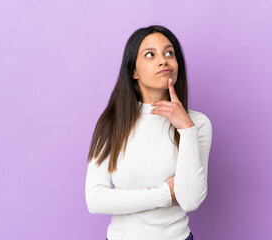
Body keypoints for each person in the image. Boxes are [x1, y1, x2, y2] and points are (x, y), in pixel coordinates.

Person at [84, 25, 212, 240]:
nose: (163, 60)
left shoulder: (197, 124)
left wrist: (187, 130)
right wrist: (164, 194)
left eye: (169, 53)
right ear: (133, 71)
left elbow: (190, 201)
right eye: (150, 55)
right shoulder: (112, 122)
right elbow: (95, 200)